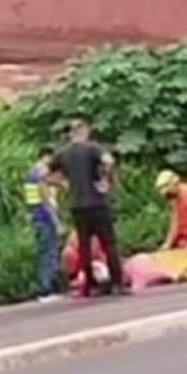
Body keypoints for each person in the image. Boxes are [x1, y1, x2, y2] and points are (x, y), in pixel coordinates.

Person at [50, 120, 127, 298]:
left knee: (84, 246)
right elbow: (109, 161)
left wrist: (63, 184)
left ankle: (89, 286)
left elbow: (43, 172)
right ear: (84, 132)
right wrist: (104, 180)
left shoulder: (63, 154)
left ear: (70, 134)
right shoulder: (93, 148)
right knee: (109, 243)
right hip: (97, 202)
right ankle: (117, 283)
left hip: (77, 205)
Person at [25, 146, 62, 301]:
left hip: (36, 217)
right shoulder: (41, 174)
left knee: (45, 251)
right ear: (46, 157)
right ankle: (46, 288)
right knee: (49, 253)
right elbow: (46, 201)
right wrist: (57, 221)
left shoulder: (32, 173)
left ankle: (46, 286)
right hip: (45, 218)